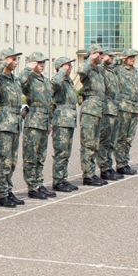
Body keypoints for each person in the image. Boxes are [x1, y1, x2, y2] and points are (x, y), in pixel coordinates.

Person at [0, 48, 26, 207]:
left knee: (12, 161)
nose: (16, 62)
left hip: (15, 122)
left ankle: (9, 191)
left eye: (17, 59)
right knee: (3, 160)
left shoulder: (15, 79)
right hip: (5, 123)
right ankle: (2, 194)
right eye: (13, 59)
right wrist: (3, 62)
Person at [20, 52, 55, 200]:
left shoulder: (45, 80)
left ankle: (39, 183)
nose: (41, 65)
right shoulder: (28, 78)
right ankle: (32, 186)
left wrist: (50, 121)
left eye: (43, 62)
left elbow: (49, 102)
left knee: (41, 156)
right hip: (33, 122)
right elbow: (19, 83)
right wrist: (28, 68)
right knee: (31, 156)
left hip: (44, 121)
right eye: (38, 62)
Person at [78, 44, 108, 186]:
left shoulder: (98, 70)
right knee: (88, 143)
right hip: (90, 109)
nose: (102, 56)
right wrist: (90, 58)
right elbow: (81, 71)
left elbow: (111, 63)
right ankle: (88, 175)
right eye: (100, 54)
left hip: (98, 109)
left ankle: (92, 172)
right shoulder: (88, 68)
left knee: (95, 143)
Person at [51, 57, 79, 192]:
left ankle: (63, 178)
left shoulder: (68, 81)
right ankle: (57, 180)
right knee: (61, 151)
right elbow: (54, 84)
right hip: (61, 121)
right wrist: (61, 72)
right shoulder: (58, 79)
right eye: (68, 65)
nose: (70, 67)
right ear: (61, 67)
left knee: (66, 152)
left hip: (69, 120)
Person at [115, 49, 138, 175]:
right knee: (121, 137)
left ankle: (125, 162)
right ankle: (120, 164)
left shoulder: (137, 73)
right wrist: (119, 58)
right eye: (130, 57)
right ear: (125, 58)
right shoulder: (119, 70)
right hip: (123, 107)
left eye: (133, 57)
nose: (132, 59)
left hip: (134, 108)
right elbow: (109, 65)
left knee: (129, 138)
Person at [98, 48, 124, 181]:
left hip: (115, 109)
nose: (111, 58)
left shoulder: (112, 70)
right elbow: (96, 65)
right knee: (105, 141)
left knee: (112, 141)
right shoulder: (100, 69)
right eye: (109, 56)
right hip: (106, 110)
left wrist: (118, 58)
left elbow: (119, 62)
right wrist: (103, 59)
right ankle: (104, 168)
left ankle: (109, 166)